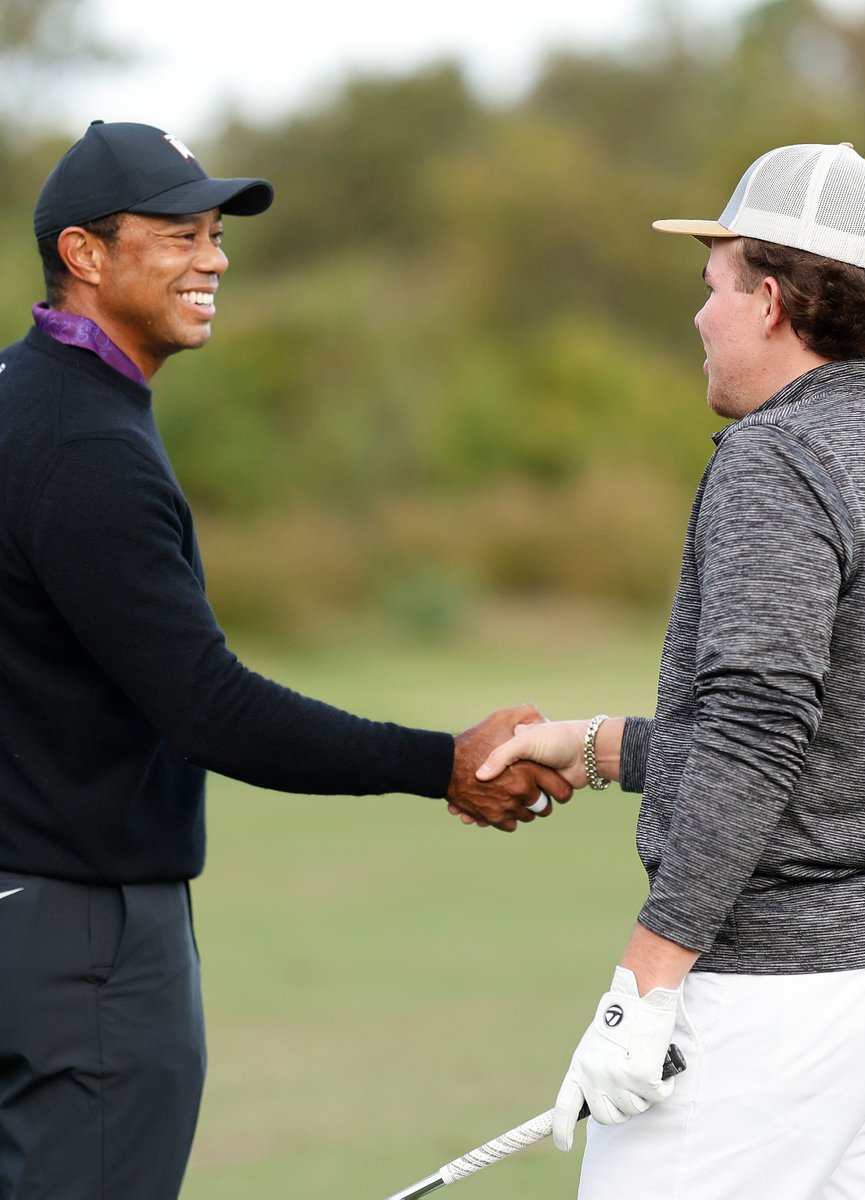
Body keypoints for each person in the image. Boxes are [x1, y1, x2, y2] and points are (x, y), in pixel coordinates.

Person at [0, 120, 572, 1200]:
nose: (214, 259)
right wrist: (439, 761)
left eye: (215, 235)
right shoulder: (86, 444)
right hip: (83, 936)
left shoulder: (19, 399)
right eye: (179, 235)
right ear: (85, 254)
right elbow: (209, 707)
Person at [475, 142, 865, 1198]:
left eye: (714, 287)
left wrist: (640, 990)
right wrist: (602, 745)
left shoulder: (777, 459)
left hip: (781, 999)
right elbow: (848, 737)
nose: (699, 317)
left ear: (773, 301)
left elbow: (756, 734)